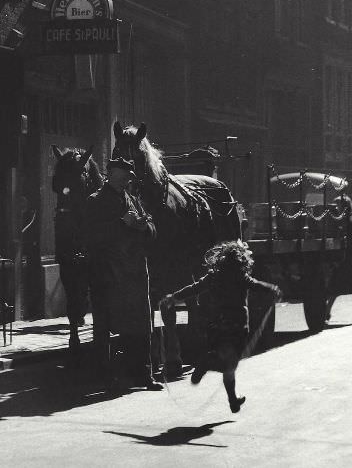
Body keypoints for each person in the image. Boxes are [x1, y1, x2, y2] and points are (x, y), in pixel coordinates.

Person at [161, 240, 280, 413]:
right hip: (238, 326)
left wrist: (174, 297)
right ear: (242, 260)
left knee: (227, 361)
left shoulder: (213, 276)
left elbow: (195, 288)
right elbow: (257, 285)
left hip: (217, 324)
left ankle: (232, 399)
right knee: (229, 365)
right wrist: (273, 289)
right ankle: (206, 364)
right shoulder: (241, 276)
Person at [85, 157, 163, 391]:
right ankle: (106, 377)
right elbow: (91, 237)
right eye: (121, 177)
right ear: (109, 175)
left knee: (140, 325)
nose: (125, 181)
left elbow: (152, 232)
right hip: (108, 275)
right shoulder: (95, 201)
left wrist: (143, 225)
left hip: (135, 273)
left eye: (127, 178)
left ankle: (143, 375)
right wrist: (121, 223)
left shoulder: (133, 200)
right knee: (105, 328)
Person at [325, 193, 352, 323]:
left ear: (344, 207)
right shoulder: (349, 219)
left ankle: (327, 313)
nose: (336, 208)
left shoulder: (346, 221)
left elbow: (344, 240)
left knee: (336, 285)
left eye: (337, 205)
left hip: (347, 257)